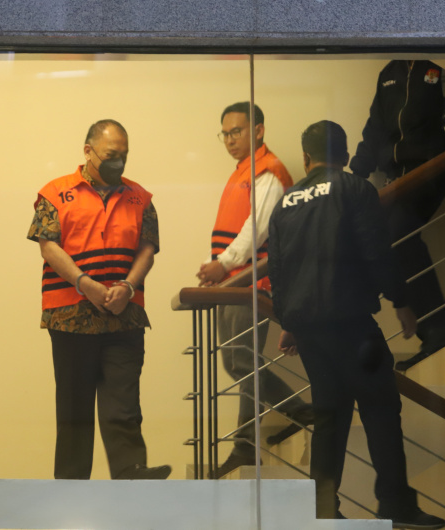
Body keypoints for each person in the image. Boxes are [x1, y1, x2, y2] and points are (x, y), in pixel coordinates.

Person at [268, 120, 445, 528]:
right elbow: (376, 251)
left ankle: (322, 510)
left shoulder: (286, 202)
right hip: (350, 323)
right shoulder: (355, 189)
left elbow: (277, 269)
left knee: (329, 418)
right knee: (381, 409)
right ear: (346, 156)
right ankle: (395, 505)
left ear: (306, 158)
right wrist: (401, 301)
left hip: (308, 329)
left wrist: (289, 320)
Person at [28, 119, 171, 480]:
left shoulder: (140, 197)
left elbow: (148, 248)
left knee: (124, 404)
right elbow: (48, 246)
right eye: (111, 154)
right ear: (88, 151)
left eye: (124, 154)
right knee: (74, 412)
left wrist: (129, 286)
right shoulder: (55, 193)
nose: (118, 162)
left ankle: (131, 472)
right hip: (70, 316)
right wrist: (84, 284)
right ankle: (71, 488)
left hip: (124, 316)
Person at [195, 102, 314, 479]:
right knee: (240, 363)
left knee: (240, 362)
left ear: (258, 131)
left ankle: (292, 414)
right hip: (234, 283)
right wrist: (218, 268)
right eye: (225, 133)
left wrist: (223, 263)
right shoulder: (244, 171)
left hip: (252, 283)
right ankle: (253, 442)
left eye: (237, 131)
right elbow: (237, 229)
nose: (230, 139)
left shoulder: (268, 171)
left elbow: (257, 228)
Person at [349, 60, 445, 371]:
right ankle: (430, 329)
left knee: (398, 235)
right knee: (378, 240)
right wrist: (356, 174)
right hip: (396, 173)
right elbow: (375, 126)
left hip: (433, 166)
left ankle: (438, 328)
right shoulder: (391, 72)